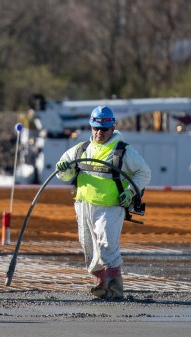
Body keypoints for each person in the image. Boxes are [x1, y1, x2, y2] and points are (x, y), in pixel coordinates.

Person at [55, 106, 151, 300]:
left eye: (104, 129)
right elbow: (64, 175)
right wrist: (63, 169)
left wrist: (130, 192)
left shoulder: (123, 151)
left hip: (110, 206)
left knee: (107, 244)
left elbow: (144, 173)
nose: (99, 133)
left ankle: (115, 289)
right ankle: (101, 286)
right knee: (89, 247)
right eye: (95, 128)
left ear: (112, 127)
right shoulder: (81, 149)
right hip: (83, 205)